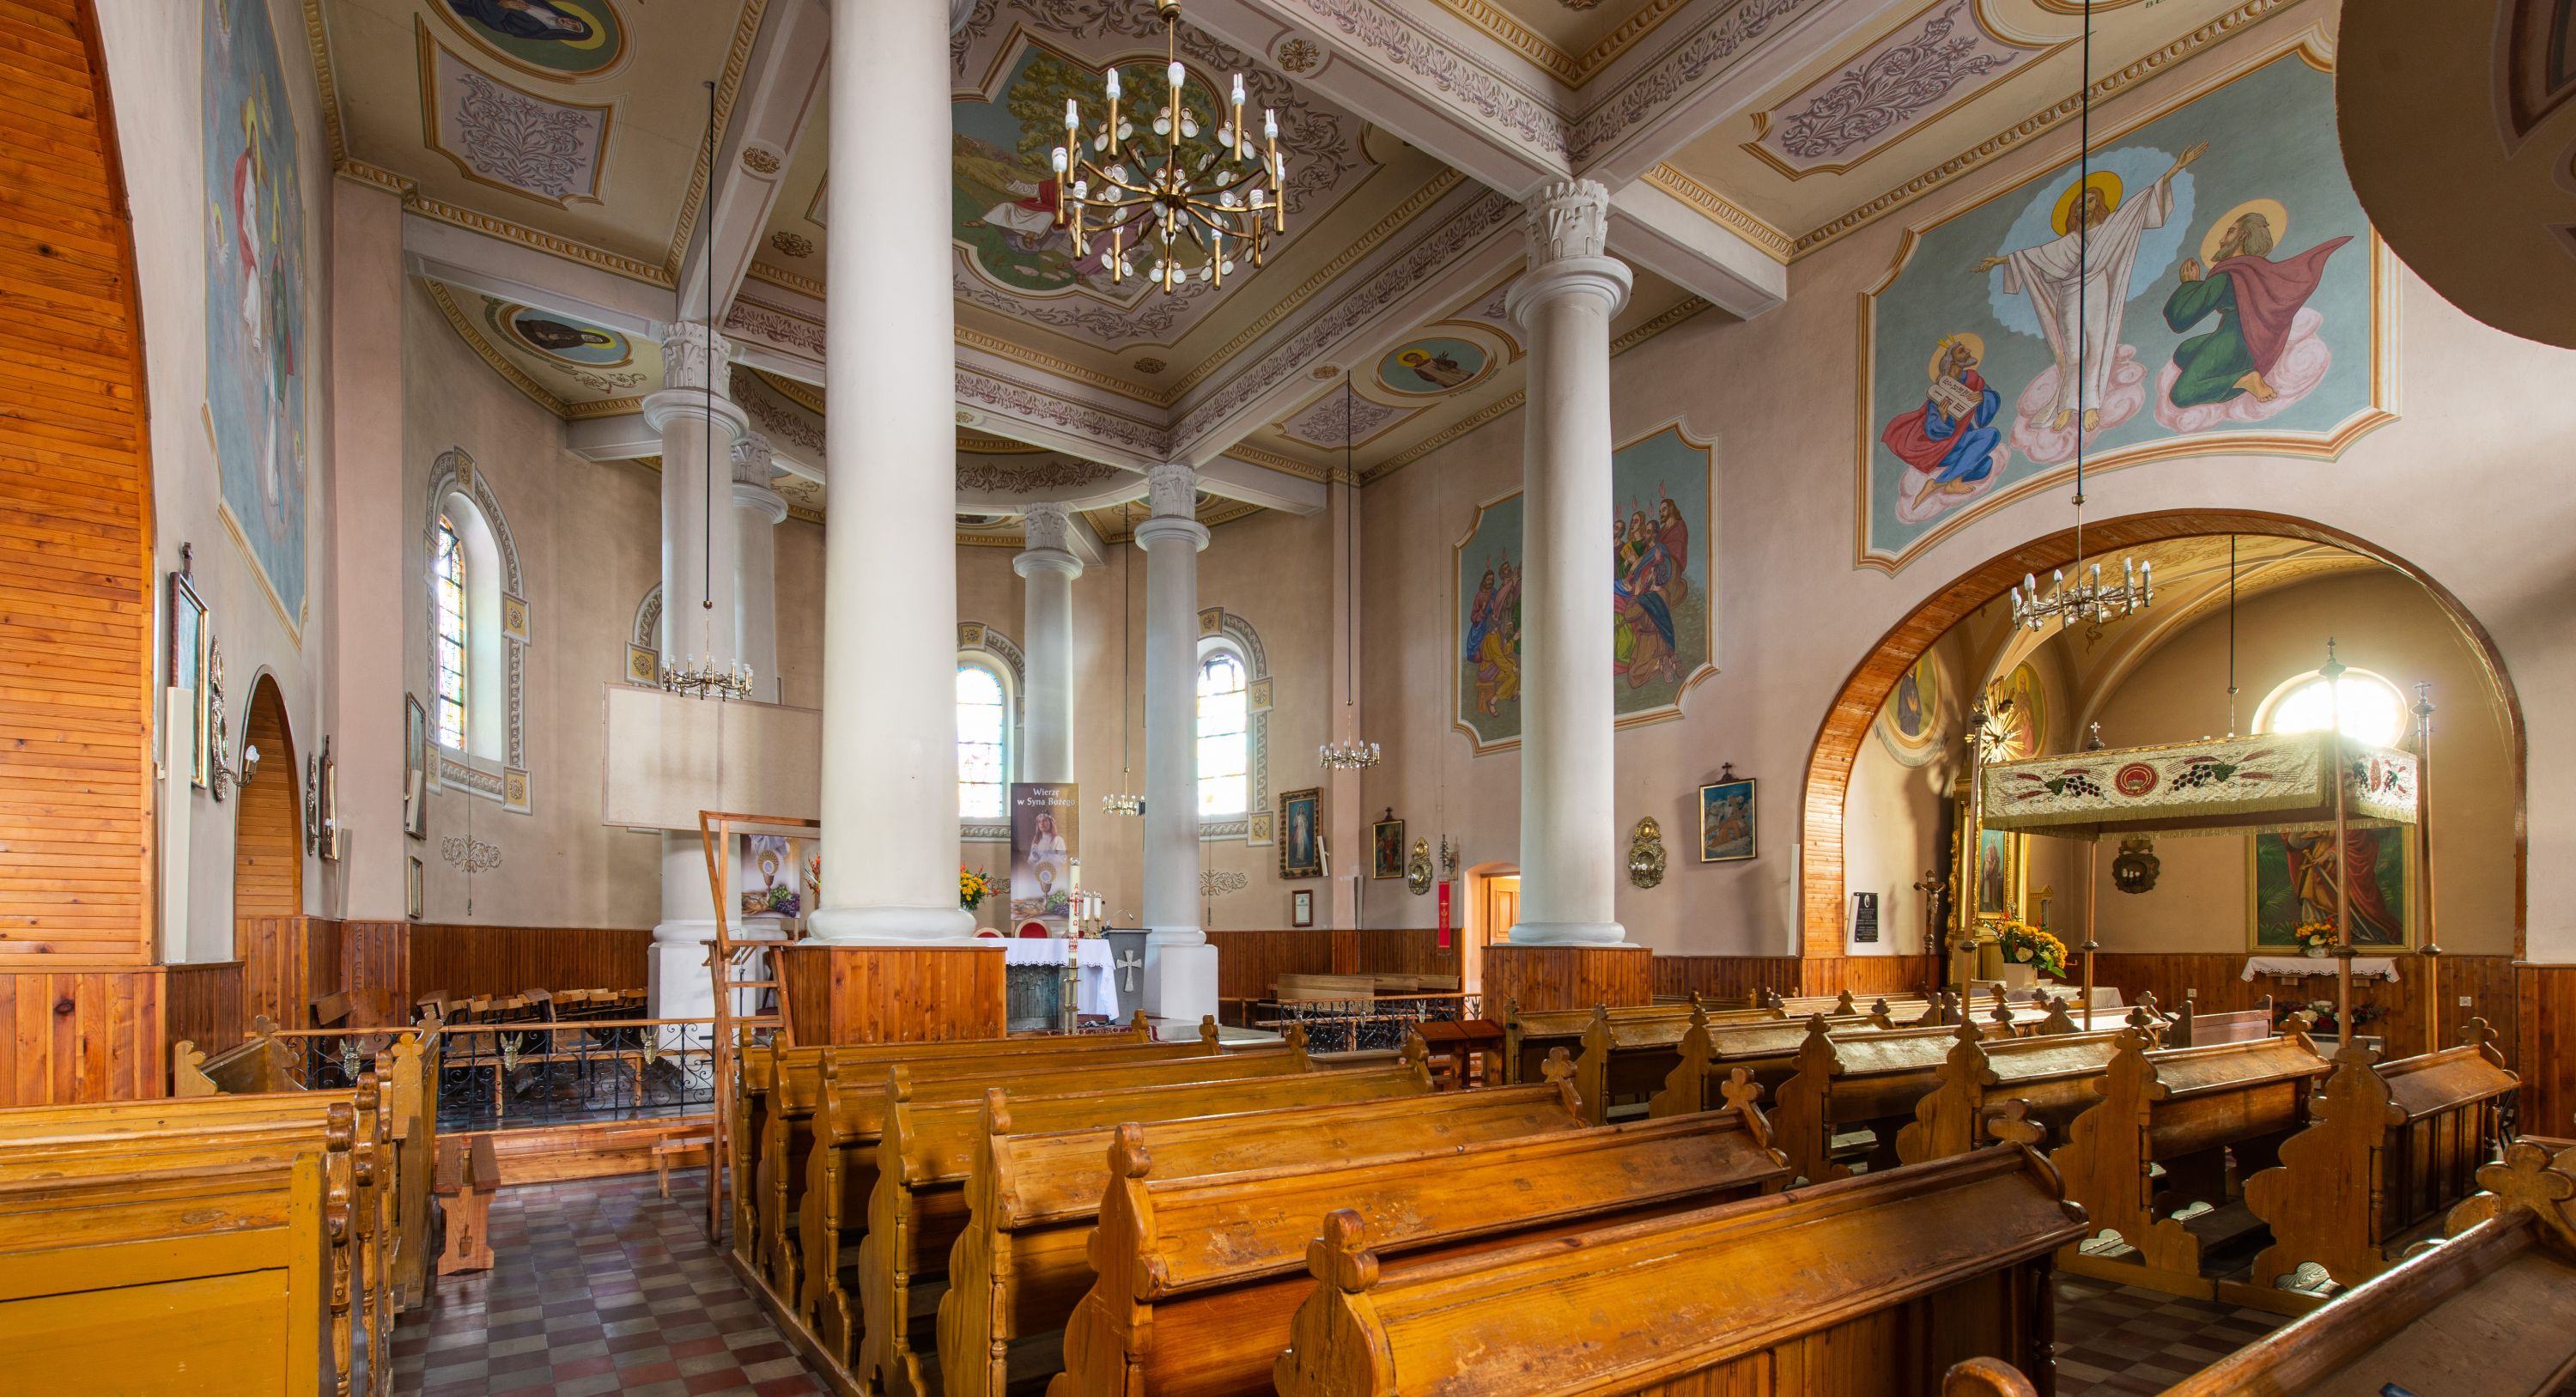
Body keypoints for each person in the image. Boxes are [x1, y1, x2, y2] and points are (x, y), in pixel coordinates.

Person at [1978, 143, 2206, 433]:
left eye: (2090, 201)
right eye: (2079, 204)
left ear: (2099, 204)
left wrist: (2175, 168)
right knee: (2074, 352)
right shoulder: (2069, 241)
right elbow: (2035, 255)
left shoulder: (2110, 229)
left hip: (2098, 288)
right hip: (2069, 294)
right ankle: (2067, 407)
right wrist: (2000, 261)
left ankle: (2091, 407)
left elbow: (2139, 205)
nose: (2085, 207)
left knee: (2096, 347)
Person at [2162, 213, 2350, 406]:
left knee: (2181, 394)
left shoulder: (2228, 275)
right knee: (2183, 352)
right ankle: (2233, 372)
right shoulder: (2259, 271)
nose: (2221, 240)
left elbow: (2180, 319)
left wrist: (2189, 284)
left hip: (2233, 339)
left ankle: (2244, 379)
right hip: (2253, 342)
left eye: (2230, 232)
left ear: (2243, 236)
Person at [1886, 335, 2004, 513]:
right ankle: (1936, 483)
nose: (1968, 351)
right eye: (1962, 351)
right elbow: (1932, 430)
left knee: (1985, 466)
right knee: (1992, 434)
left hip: (1965, 440)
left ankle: (1950, 481)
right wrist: (1943, 416)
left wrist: (1982, 397)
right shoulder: (1940, 389)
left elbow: (1987, 408)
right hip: (1944, 448)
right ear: (1952, 360)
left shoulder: (1973, 378)